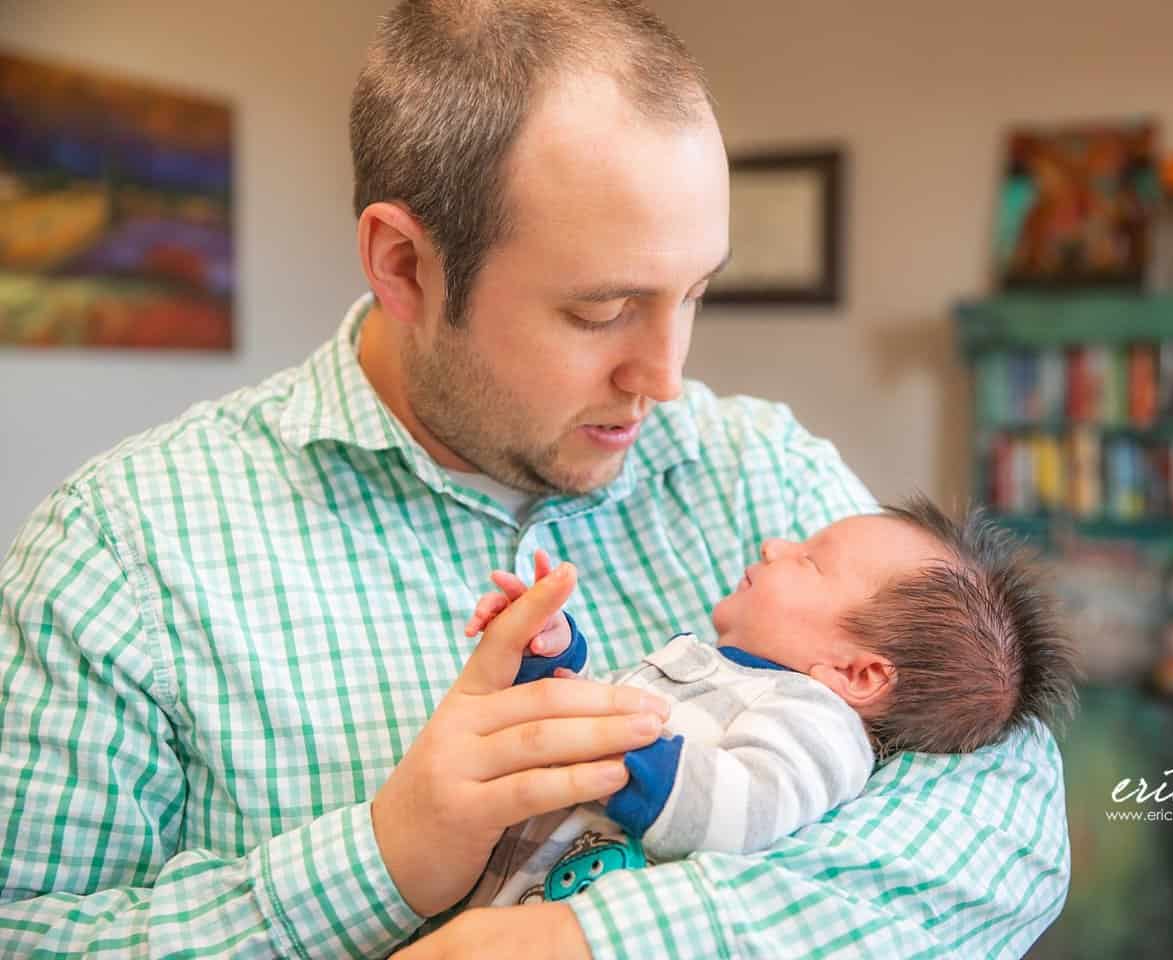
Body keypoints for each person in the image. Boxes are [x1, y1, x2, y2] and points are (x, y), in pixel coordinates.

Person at [0, 1, 1072, 957]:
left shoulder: (757, 470)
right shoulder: (120, 556)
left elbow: (1006, 819)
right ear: (405, 266)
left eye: (695, 292)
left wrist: (561, 945)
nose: (666, 375)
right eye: (603, 309)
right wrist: (378, 862)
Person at [459, 497, 1077, 910]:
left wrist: (610, 741)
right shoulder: (706, 666)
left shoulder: (817, 723)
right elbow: (565, 726)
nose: (773, 545)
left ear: (857, 673)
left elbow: (740, 810)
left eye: (807, 561)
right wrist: (546, 652)